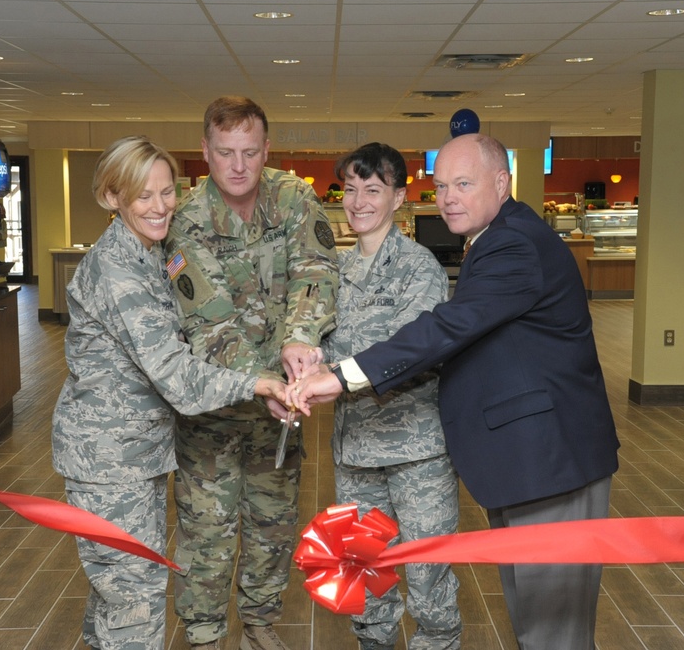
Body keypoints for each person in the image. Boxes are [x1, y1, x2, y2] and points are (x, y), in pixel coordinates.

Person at [292, 133, 621, 650]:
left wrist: (340, 376)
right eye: (442, 185)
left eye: (463, 184)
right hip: (521, 461)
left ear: (501, 181)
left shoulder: (512, 243)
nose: (447, 198)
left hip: (549, 460)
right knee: (535, 619)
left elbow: (446, 330)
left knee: (552, 625)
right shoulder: (494, 239)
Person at [51, 135, 288, 650]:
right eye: (144, 196)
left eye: (167, 192)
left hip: (136, 456)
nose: (161, 207)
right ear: (112, 197)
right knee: (134, 599)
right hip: (111, 460)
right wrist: (257, 381)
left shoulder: (147, 253)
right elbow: (175, 375)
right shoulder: (117, 269)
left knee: (118, 595)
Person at [164, 96, 338, 650]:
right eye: (225, 153)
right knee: (207, 529)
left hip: (281, 408)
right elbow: (209, 322)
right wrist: (263, 383)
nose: (238, 167)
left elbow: (317, 267)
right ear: (205, 152)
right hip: (212, 410)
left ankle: (260, 625)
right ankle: (206, 634)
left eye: (249, 152)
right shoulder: (185, 221)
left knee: (273, 523)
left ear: (267, 150)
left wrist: (301, 339)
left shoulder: (294, 197)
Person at [323, 142, 461, 650]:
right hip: (356, 451)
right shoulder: (334, 271)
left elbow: (413, 354)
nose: (358, 202)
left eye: (373, 190)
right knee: (367, 574)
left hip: (415, 452)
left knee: (428, 579)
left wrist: (333, 373)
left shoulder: (418, 268)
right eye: (351, 190)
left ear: (399, 198)